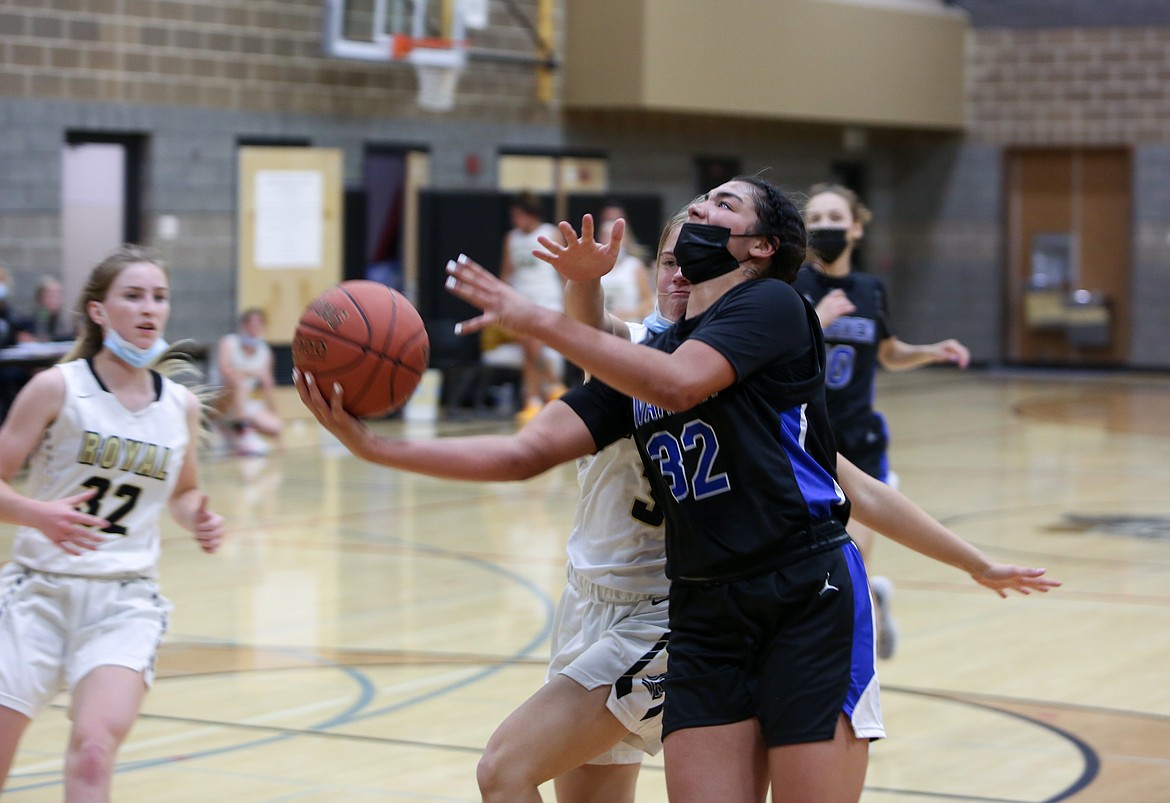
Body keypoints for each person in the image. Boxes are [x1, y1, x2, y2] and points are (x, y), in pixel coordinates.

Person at [295, 176, 1058, 803]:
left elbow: (693, 390)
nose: (691, 228)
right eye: (681, 225)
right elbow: (527, 451)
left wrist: (538, 313)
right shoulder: (643, 358)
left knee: (508, 766)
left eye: (718, 209)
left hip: (801, 589)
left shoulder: (770, 306)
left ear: (756, 248)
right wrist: (373, 445)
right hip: (702, 607)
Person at [0, 245, 226, 801]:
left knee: (95, 751)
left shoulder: (180, 406)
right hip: (37, 593)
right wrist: (38, 514)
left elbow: (184, 489)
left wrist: (197, 515)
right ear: (99, 312)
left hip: (124, 599)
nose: (149, 308)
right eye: (133, 296)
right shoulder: (57, 388)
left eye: (159, 297)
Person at [793, 183, 971, 660]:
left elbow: (889, 354)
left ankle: (850, 663)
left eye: (835, 217)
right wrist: (815, 319)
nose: (825, 227)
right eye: (816, 219)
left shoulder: (871, 290)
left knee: (851, 558)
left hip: (859, 438)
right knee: (813, 560)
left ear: (856, 226)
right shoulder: (792, 286)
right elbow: (775, 351)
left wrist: (930, 351)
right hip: (802, 437)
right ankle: (869, 603)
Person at [499, 190, 568, 424]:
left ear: (531, 214)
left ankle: (542, 393)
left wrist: (570, 301)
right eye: (513, 216)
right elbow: (507, 273)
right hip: (522, 301)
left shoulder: (550, 233)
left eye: (520, 215)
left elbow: (563, 271)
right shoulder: (512, 239)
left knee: (534, 343)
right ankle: (538, 398)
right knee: (529, 349)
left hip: (548, 299)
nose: (516, 221)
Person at [210, 307, 282, 456]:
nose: (254, 328)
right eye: (251, 324)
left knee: (275, 426)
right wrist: (252, 372)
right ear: (243, 326)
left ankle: (233, 429)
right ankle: (243, 434)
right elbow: (226, 372)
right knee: (239, 381)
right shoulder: (229, 342)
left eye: (258, 324)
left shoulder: (265, 352)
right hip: (221, 399)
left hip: (245, 404)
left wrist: (275, 417)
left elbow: (268, 387)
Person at [595, 217, 654, 322]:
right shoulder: (595, 266)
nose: (610, 240)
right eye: (605, 235)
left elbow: (649, 302)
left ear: (625, 238)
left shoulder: (635, 265)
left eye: (614, 235)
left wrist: (628, 313)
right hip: (601, 326)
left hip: (628, 326)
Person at [16, 275, 74, 343]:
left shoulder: (65, 320)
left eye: (58, 296)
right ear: (40, 298)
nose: (55, 300)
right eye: (51, 296)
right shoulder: (28, 321)